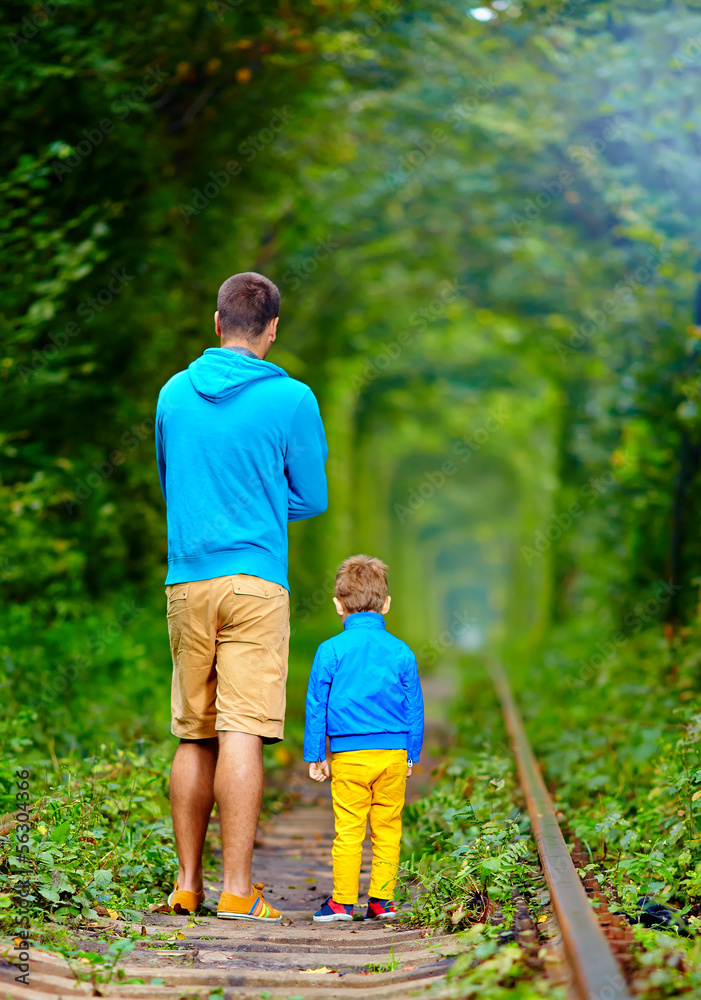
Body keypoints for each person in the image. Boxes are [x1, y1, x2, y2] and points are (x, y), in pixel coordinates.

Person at [155, 271, 328, 921]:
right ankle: (236, 890)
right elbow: (311, 496)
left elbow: (173, 482)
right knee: (242, 732)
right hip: (255, 581)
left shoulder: (172, 394)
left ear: (217, 321)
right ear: (273, 330)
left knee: (193, 733)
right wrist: (257, 504)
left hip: (187, 579)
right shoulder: (293, 399)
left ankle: (187, 884)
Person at [303, 555, 424, 922]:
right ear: (386, 604)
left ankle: (341, 903)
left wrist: (315, 753)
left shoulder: (330, 650)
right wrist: (411, 754)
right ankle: (382, 901)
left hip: (348, 755)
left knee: (349, 828)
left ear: (338, 604)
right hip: (392, 755)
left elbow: (316, 704)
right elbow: (414, 707)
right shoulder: (402, 651)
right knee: (388, 827)